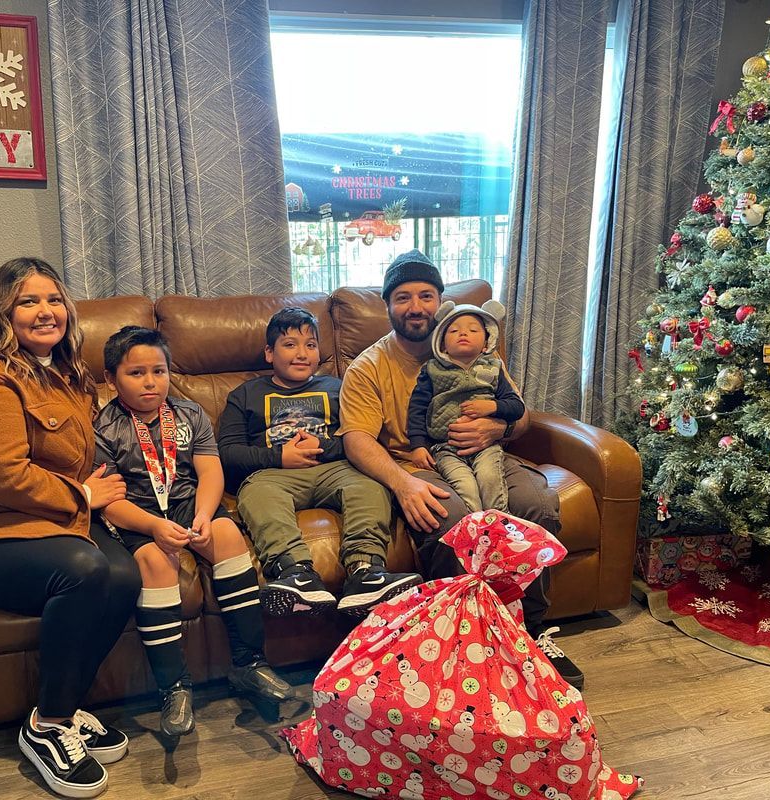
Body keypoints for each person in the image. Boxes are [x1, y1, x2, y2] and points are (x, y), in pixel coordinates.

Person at [0, 258, 138, 799]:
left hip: (53, 520)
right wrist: (85, 496)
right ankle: (46, 731)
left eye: (53, 299)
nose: (46, 312)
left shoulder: (67, 370)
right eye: (28, 302)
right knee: (88, 571)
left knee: (126, 577)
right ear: (3, 312)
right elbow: (1, 480)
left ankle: (60, 709)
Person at [337, 249, 584, 689]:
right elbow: (356, 438)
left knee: (535, 505)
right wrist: (403, 484)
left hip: (487, 454)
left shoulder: (475, 350)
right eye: (403, 297)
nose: (416, 307)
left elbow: (520, 413)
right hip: (422, 462)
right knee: (454, 522)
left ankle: (530, 632)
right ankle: (461, 638)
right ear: (387, 304)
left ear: (440, 301)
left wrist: (495, 427)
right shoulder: (368, 367)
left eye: (426, 295)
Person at [93, 325, 295, 740]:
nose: (151, 382)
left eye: (159, 371)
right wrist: (152, 527)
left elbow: (210, 471)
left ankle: (249, 664)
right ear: (111, 379)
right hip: (139, 511)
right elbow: (109, 499)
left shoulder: (190, 413)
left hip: (187, 501)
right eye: (136, 374)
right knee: (154, 562)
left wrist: (203, 516)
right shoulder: (102, 426)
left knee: (228, 536)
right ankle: (175, 687)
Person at [218, 307, 421, 617]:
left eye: (310, 345)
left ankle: (365, 571)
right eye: (290, 345)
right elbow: (228, 452)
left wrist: (324, 448)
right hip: (273, 474)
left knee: (367, 485)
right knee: (258, 494)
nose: (302, 354)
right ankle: (296, 574)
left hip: (335, 470)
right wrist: (280, 457)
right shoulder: (245, 395)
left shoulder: (339, 388)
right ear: (270, 353)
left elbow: (363, 437)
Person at [407, 299, 525, 513]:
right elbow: (417, 409)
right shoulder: (432, 370)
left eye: (473, 330)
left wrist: (492, 407)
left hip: (487, 447)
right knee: (467, 488)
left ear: (486, 342)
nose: (463, 334)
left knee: (490, 480)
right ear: (442, 343)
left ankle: (499, 524)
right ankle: (474, 530)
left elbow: (517, 407)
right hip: (445, 448)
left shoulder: (494, 369)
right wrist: (418, 445)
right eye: (453, 331)